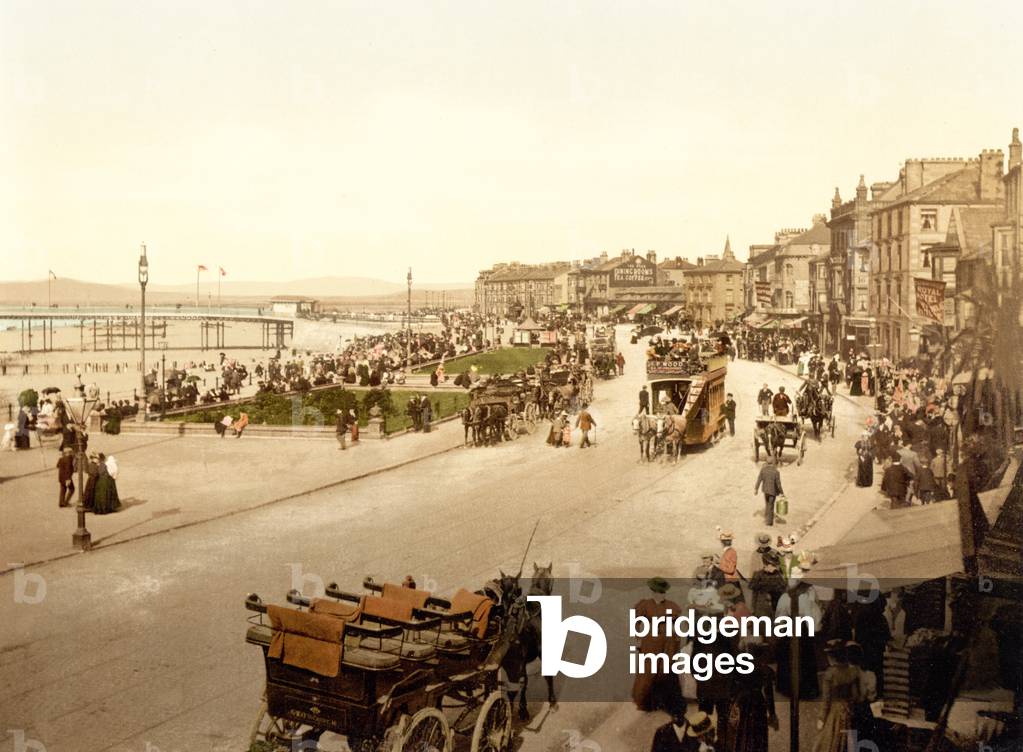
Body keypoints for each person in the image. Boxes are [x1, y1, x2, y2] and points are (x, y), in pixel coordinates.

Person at [632, 577, 685, 714]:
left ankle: (667, 702)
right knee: (650, 670)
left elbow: (678, 624)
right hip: (651, 641)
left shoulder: (671, 605)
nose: (659, 595)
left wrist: (676, 638)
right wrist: (637, 638)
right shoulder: (645, 605)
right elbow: (636, 622)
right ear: (652, 592)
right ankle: (648, 702)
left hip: (668, 643)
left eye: (662, 593)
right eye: (657, 592)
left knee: (666, 670)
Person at [724, 642, 778, 752]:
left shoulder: (736, 667)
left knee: (742, 733)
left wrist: (732, 704)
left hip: (742, 703)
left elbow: (730, 688)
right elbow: (769, 693)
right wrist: (772, 714)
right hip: (758, 703)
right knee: (757, 734)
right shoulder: (764, 669)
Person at [812, 641, 861, 752]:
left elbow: (826, 700)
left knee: (829, 742)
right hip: (847, 710)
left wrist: (821, 718)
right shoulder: (852, 672)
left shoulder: (829, 674)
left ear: (832, 657)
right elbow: (855, 695)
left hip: (834, 712)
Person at [754, 456, 784, 526]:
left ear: (767, 462)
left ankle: (766, 518)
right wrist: (782, 493)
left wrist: (756, 489)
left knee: (767, 504)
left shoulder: (763, 470)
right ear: (773, 463)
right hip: (772, 492)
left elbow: (759, 480)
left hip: (765, 490)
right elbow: (778, 484)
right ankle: (769, 522)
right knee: (771, 506)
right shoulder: (776, 472)